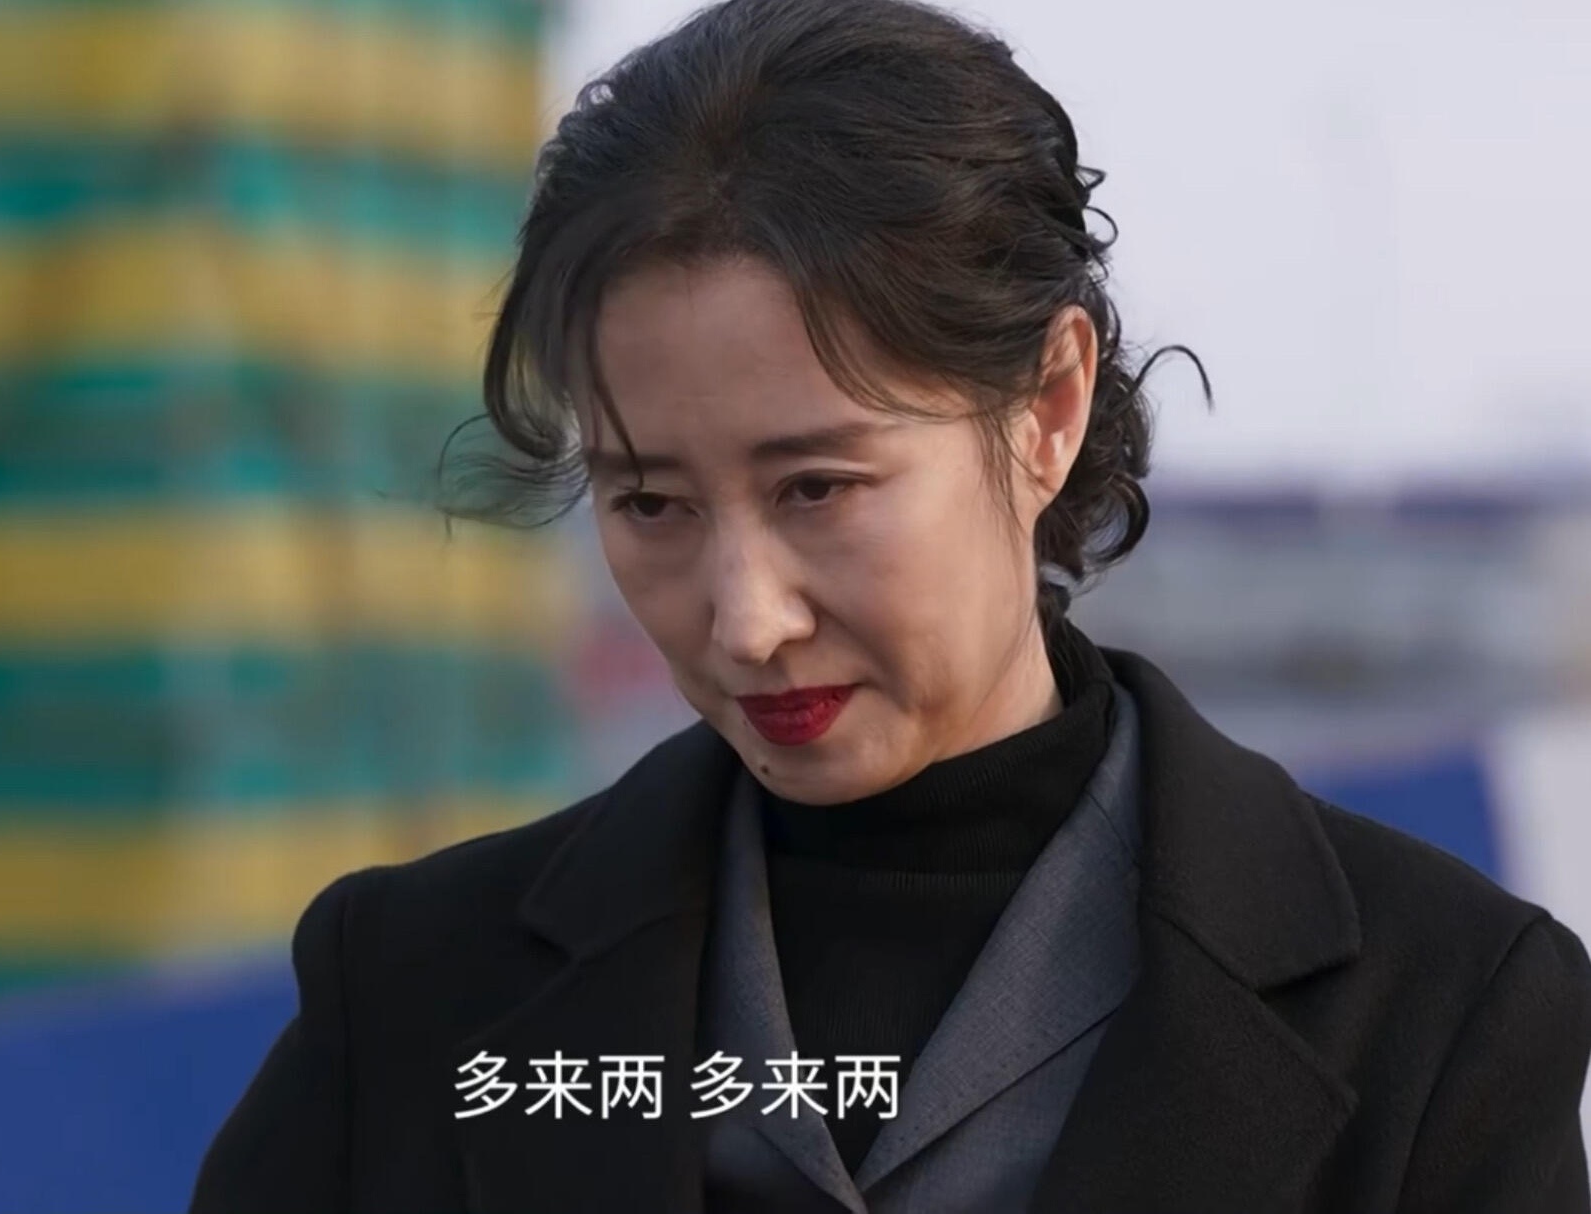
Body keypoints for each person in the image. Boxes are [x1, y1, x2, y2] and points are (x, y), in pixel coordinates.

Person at [188, 1, 1591, 1210]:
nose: (745, 621)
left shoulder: (1434, 1010)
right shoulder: (414, 994)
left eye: (817, 488)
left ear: (1047, 406)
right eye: (651, 504)